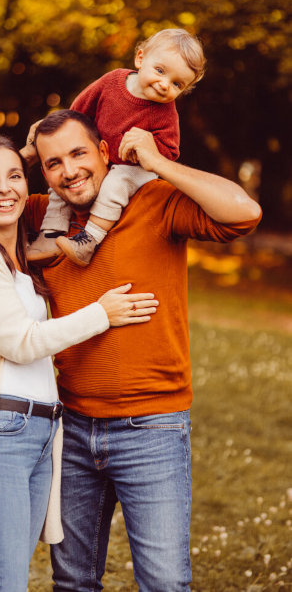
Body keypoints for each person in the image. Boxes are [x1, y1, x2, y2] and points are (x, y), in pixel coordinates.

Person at [22, 110, 262, 592]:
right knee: (71, 580)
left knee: (165, 583)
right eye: (53, 163)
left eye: (78, 154)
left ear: (104, 153)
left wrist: (156, 161)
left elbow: (244, 212)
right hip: (69, 425)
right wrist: (22, 154)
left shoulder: (153, 201)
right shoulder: (39, 217)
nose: (69, 171)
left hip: (152, 428)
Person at [0, 135, 158, 592]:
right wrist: (101, 315)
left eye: (14, 177)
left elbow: (43, 187)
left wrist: (19, 159)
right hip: (3, 433)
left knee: (8, 576)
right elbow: (21, 343)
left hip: (42, 432)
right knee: (3, 580)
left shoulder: (21, 263)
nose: (5, 188)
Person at [27, 28, 206, 266]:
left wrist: (147, 147)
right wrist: (58, 132)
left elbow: (170, 152)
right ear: (140, 59)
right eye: (160, 71)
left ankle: (88, 241)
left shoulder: (165, 113)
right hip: (101, 158)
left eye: (177, 84)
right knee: (67, 176)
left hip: (132, 169)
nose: (165, 85)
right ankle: (51, 234)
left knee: (117, 182)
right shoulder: (112, 82)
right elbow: (78, 111)